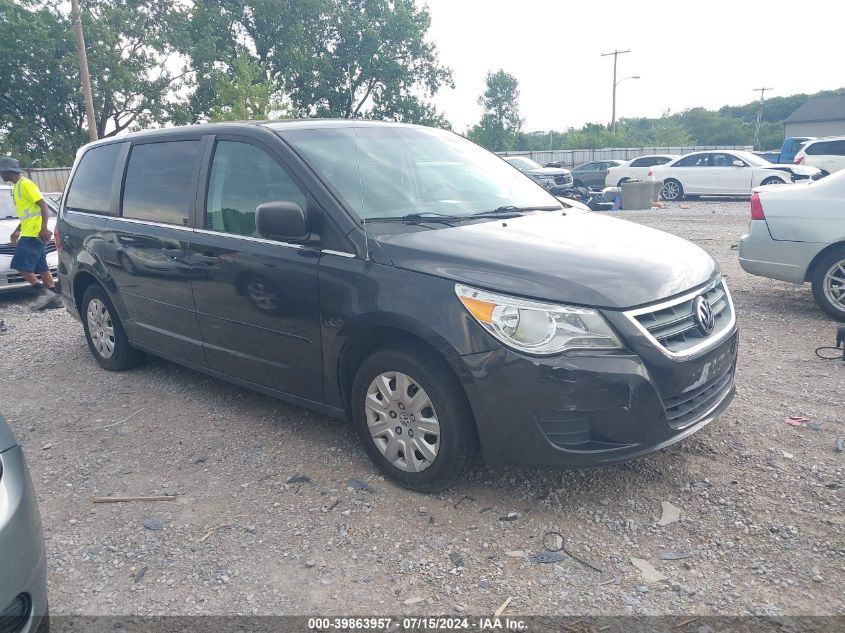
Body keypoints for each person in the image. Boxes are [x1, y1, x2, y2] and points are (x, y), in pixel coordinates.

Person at [0, 156, 62, 310]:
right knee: (42, 267)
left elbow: (43, 205)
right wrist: (17, 230)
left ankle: (42, 293)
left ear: (8, 172)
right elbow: (28, 213)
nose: (1, 175)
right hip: (29, 231)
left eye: (2, 172)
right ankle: (54, 299)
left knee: (20, 265)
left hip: (34, 233)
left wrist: (44, 228)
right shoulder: (17, 187)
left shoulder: (26, 185)